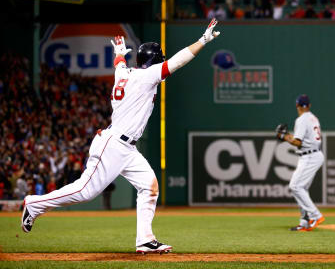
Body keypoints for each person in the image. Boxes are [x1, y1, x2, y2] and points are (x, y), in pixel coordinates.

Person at [21, 19, 221, 254]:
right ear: (154, 60)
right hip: (114, 144)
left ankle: (145, 240)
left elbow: (119, 65)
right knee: (85, 191)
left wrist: (118, 54)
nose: (163, 60)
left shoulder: (124, 74)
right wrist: (202, 41)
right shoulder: (147, 76)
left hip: (126, 148)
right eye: (160, 57)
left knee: (149, 186)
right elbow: (178, 61)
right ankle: (34, 204)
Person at [276, 94, 325, 231]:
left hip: (309, 156)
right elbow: (301, 139)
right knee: (302, 189)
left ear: (297, 106)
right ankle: (305, 221)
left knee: (295, 186)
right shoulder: (313, 117)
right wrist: (288, 136)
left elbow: (298, 142)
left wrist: (284, 137)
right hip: (314, 154)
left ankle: (315, 215)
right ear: (309, 106)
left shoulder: (302, 119)